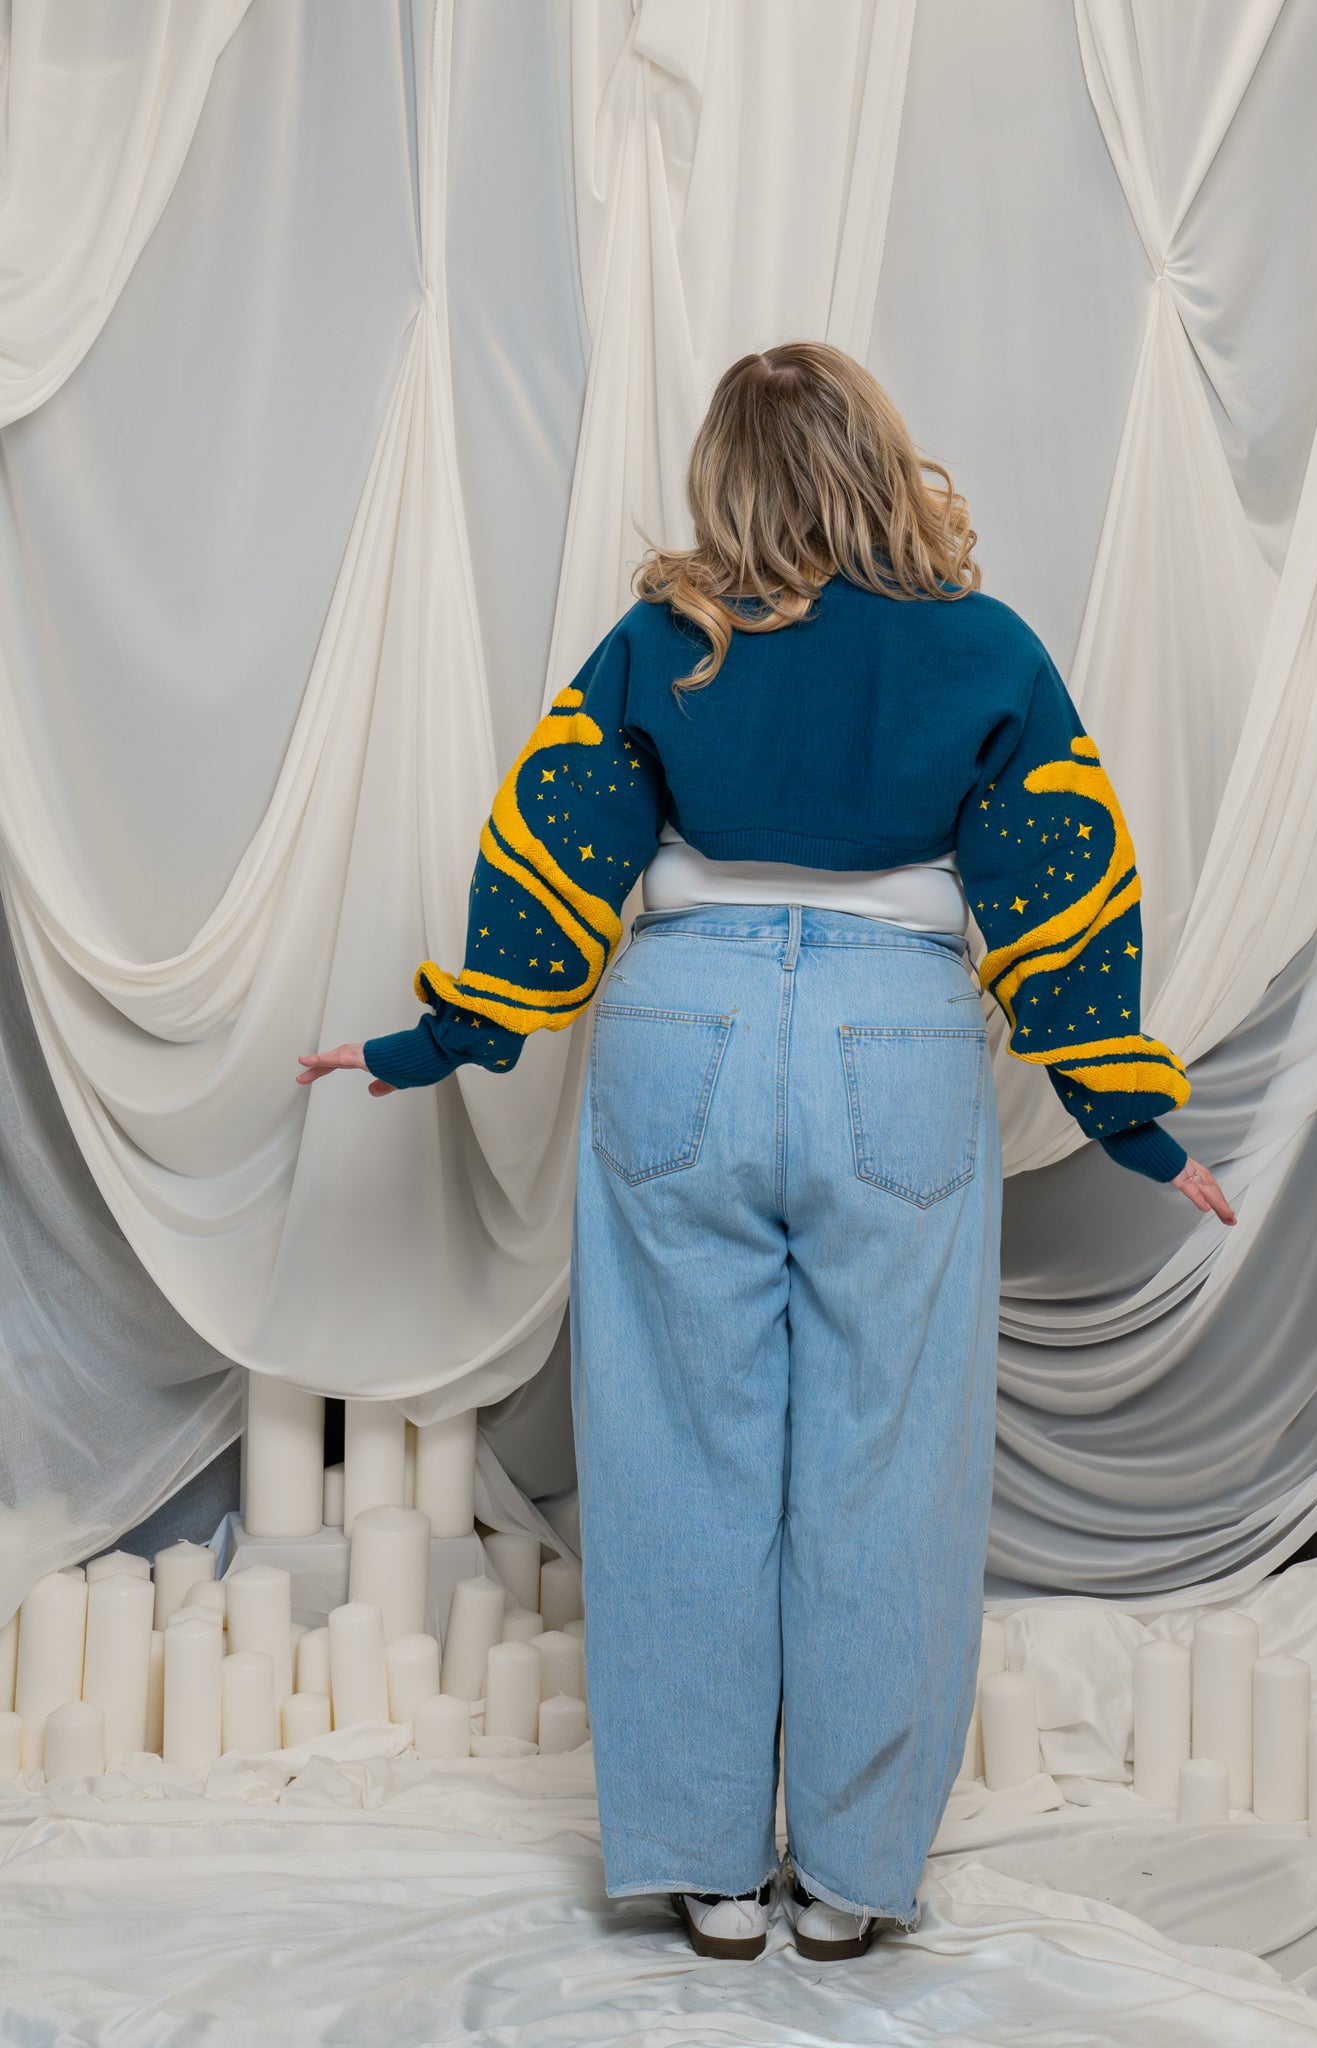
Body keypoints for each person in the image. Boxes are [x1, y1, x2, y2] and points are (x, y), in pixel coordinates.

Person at [298, 341, 1235, 1965]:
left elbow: (560, 845)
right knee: (893, 1465)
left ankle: (711, 1872)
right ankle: (858, 1875)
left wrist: (439, 1040)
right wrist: (1130, 1120)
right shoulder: (985, 652)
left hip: (685, 1035)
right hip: (897, 1043)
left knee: (674, 1458)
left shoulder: (666, 642)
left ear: (723, 479)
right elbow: (1057, 870)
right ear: (885, 458)